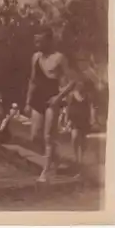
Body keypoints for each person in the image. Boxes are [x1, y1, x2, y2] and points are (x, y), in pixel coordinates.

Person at [24, 28, 75, 182]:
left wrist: (59, 97)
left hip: (52, 99)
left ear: (48, 40)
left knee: (48, 136)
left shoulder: (59, 58)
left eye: (39, 41)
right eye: (35, 41)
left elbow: (73, 81)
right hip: (38, 98)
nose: (36, 44)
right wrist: (27, 102)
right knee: (34, 137)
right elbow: (32, 81)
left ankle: (45, 172)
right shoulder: (35, 57)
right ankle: (55, 156)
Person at [65, 79, 96, 178]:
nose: (80, 86)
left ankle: (81, 158)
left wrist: (92, 118)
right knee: (74, 137)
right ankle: (75, 155)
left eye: (82, 85)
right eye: (78, 85)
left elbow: (92, 107)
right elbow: (68, 107)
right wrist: (66, 119)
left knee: (83, 140)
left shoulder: (87, 96)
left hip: (84, 121)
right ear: (76, 86)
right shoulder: (71, 95)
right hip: (74, 120)